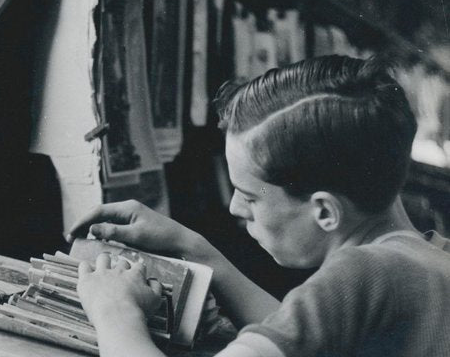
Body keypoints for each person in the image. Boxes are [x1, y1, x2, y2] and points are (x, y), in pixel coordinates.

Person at [68, 56, 450, 357]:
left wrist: (115, 312)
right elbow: (303, 333)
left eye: (249, 195)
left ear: (324, 212)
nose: (235, 207)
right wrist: (194, 248)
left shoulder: (362, 271)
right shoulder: (430, 257)